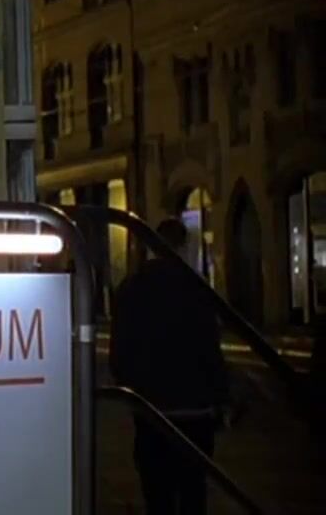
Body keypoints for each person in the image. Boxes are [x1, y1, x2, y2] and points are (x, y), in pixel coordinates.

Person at [111, 217, 229, 515]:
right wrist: (220, 397)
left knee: (157, 492)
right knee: (193, 490)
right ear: (183, 246)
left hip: (151, 408)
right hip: (195, 408)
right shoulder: (196, 289)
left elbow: (120, 351)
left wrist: (131, 388)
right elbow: (210, 348)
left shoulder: (132, 288)